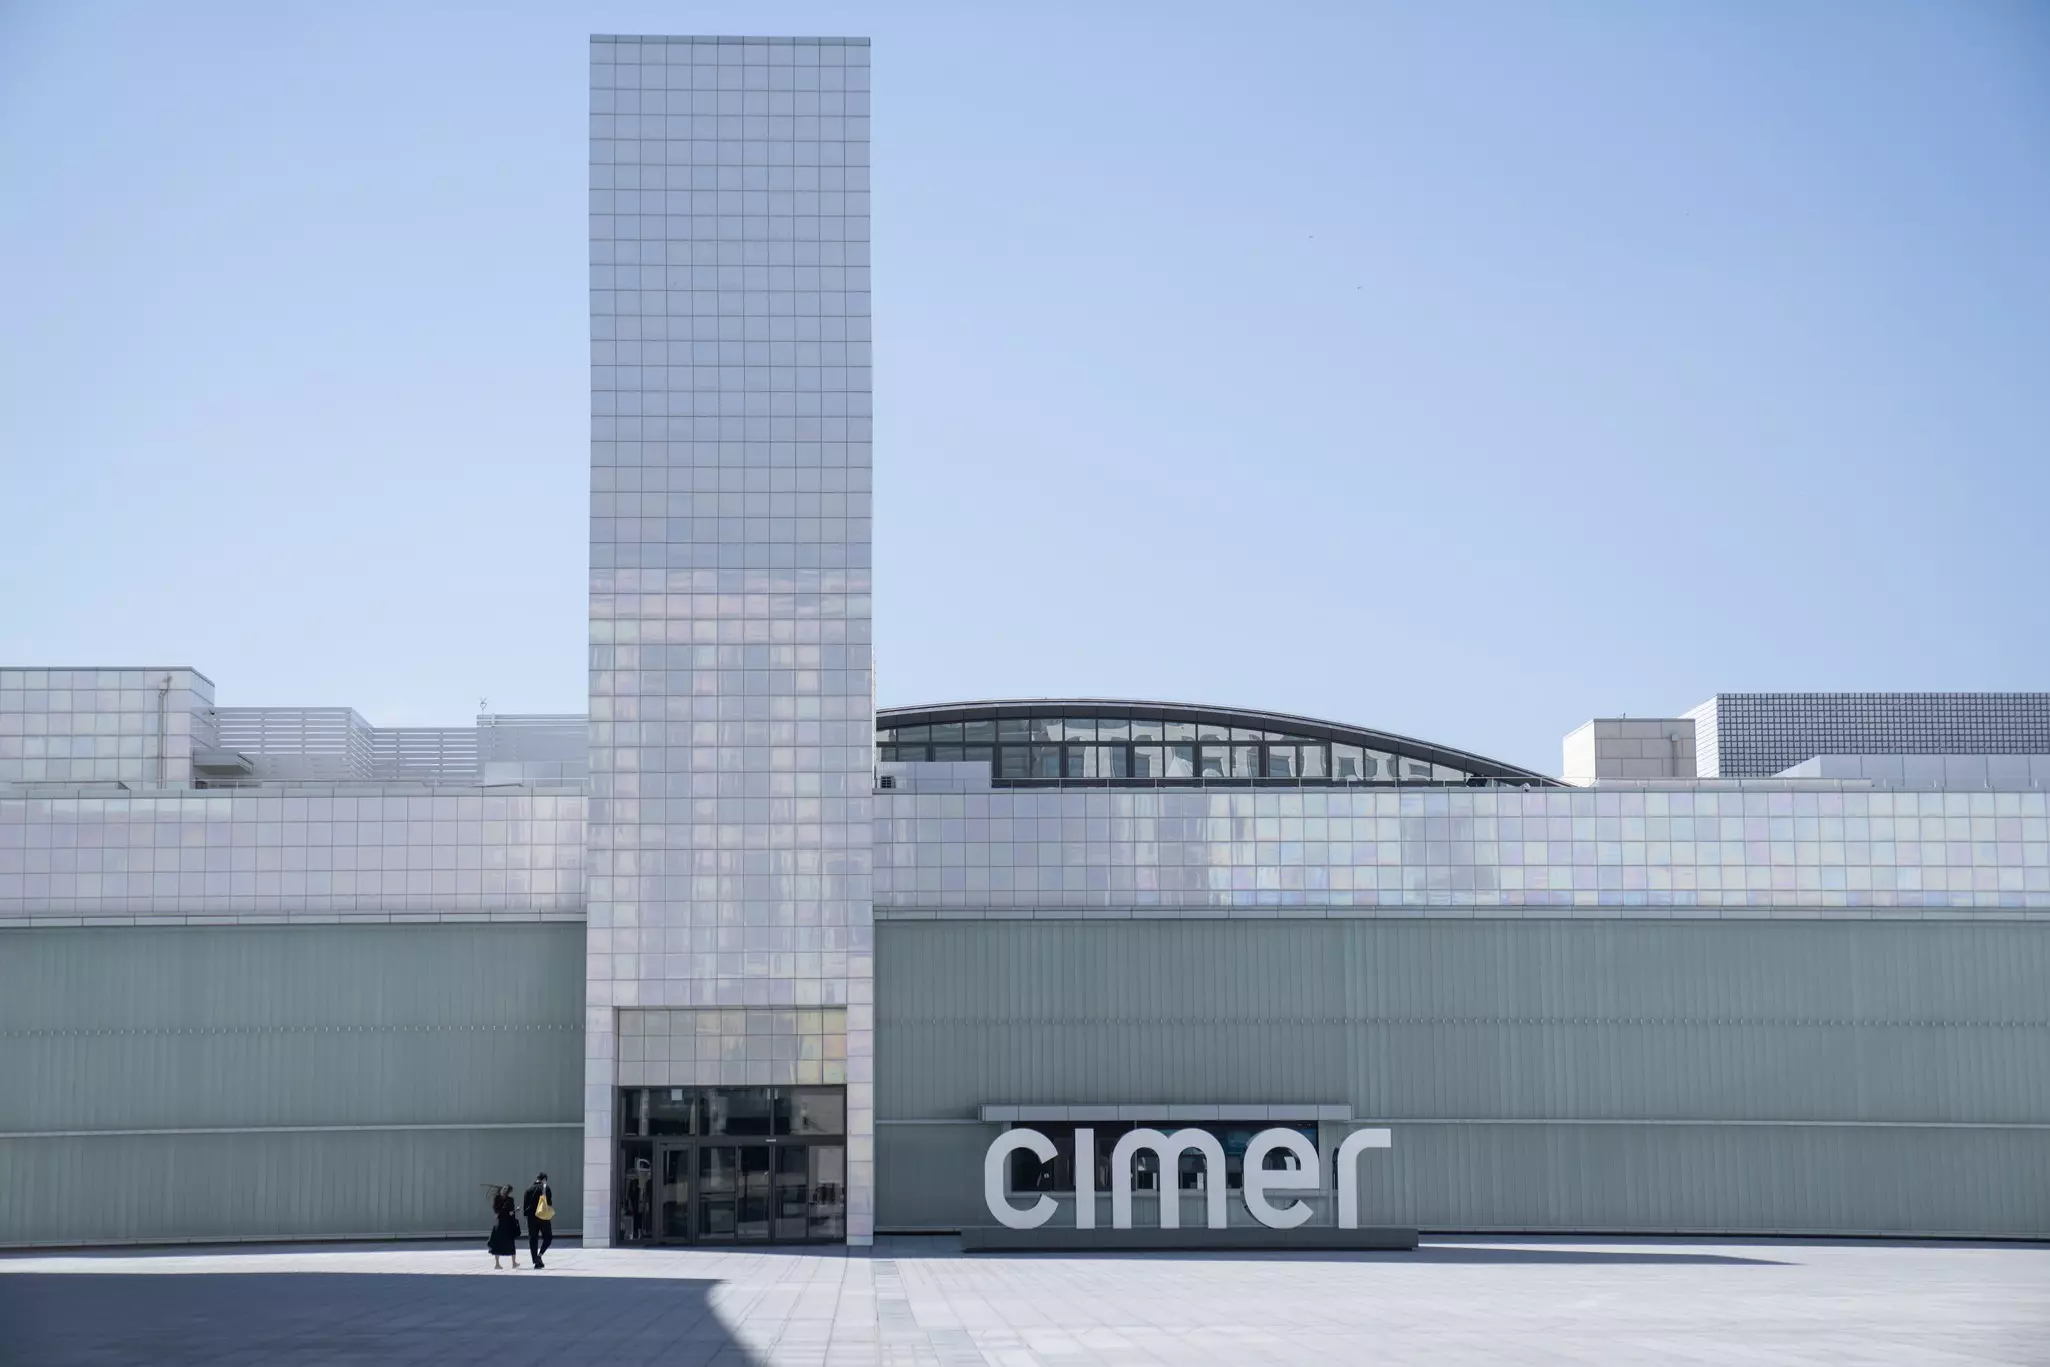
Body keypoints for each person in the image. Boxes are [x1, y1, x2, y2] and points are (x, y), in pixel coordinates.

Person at [523, 1172, 554, 1269]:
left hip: (531, 1218)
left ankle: (536, 1261)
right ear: (544, 1179)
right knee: (548, 1237)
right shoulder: (545, 1188)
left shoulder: (528, 1190)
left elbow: (525, 1207)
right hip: (543, 1216)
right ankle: (539, 1255)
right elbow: (549, 1202)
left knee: (533, 1239)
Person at [488, 1185, 521, 1270]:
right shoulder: (498, 1198)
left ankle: (513, 1263)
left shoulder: (510, 1199)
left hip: (506, 1223)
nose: (505, 1191)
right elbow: (496, 1210)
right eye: (504, 1189)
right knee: (498, 1243)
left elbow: (510, 1212)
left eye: (507, 1190)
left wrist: (514, 1211)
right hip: (501, 1223)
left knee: (509, 1243)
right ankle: (498, 1263)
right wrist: (507, 1210)